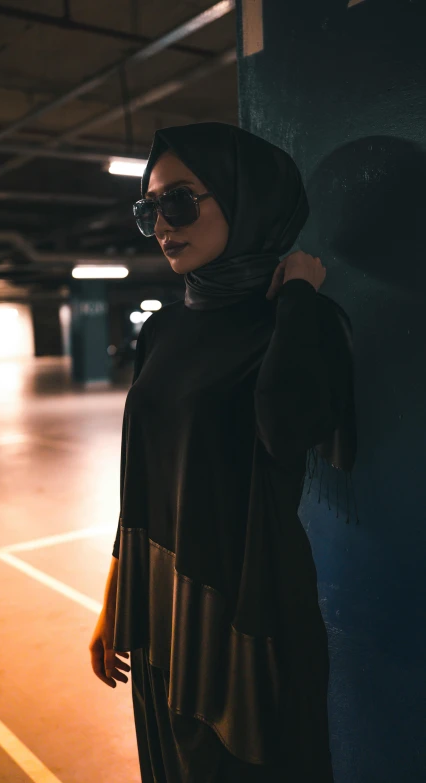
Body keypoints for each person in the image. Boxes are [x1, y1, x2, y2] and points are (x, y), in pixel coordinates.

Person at [89, 122, 358, 783]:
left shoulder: (297, 322)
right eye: (148, 208)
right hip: (162, 616)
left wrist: (296, 293)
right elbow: (140, 482)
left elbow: (286, 426)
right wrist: (113, 598)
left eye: (178, 201)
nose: (160, 225)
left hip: (249, 616)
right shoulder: (162, 330)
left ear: (248, 197)